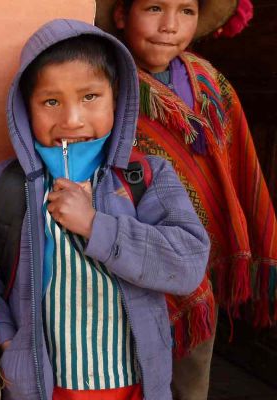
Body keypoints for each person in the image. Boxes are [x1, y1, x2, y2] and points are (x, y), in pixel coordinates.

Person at [0, 19, 210, 399]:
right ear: (24, 107)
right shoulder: (4, 188)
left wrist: (97, 226)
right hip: (43, 388)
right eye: (51, 101)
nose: (72, 119)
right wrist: (8, 344)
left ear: (116, 98)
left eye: (90, 97)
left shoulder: (144, 177)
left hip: (134, 385)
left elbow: (187, 264)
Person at [96, 1, 277, 398]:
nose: (170, 26)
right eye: (155, 8)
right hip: (125, 257)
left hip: (197, 265)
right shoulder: (104, 81)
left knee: (192, 376)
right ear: (123, 15)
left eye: (186, 12)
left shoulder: (210, 82)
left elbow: (235, 162)